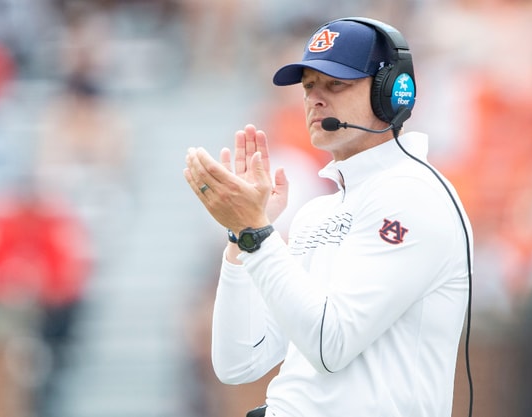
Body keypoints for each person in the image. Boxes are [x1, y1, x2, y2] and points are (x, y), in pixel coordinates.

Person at [183, 17, 473, 417]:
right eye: (308, 86)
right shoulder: (318, 212)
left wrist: (257, 231)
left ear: (392, 92)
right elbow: (238, 362)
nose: (315, 99)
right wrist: (241, 237)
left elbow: (329, 346)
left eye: (336, 84)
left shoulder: (415, 193)